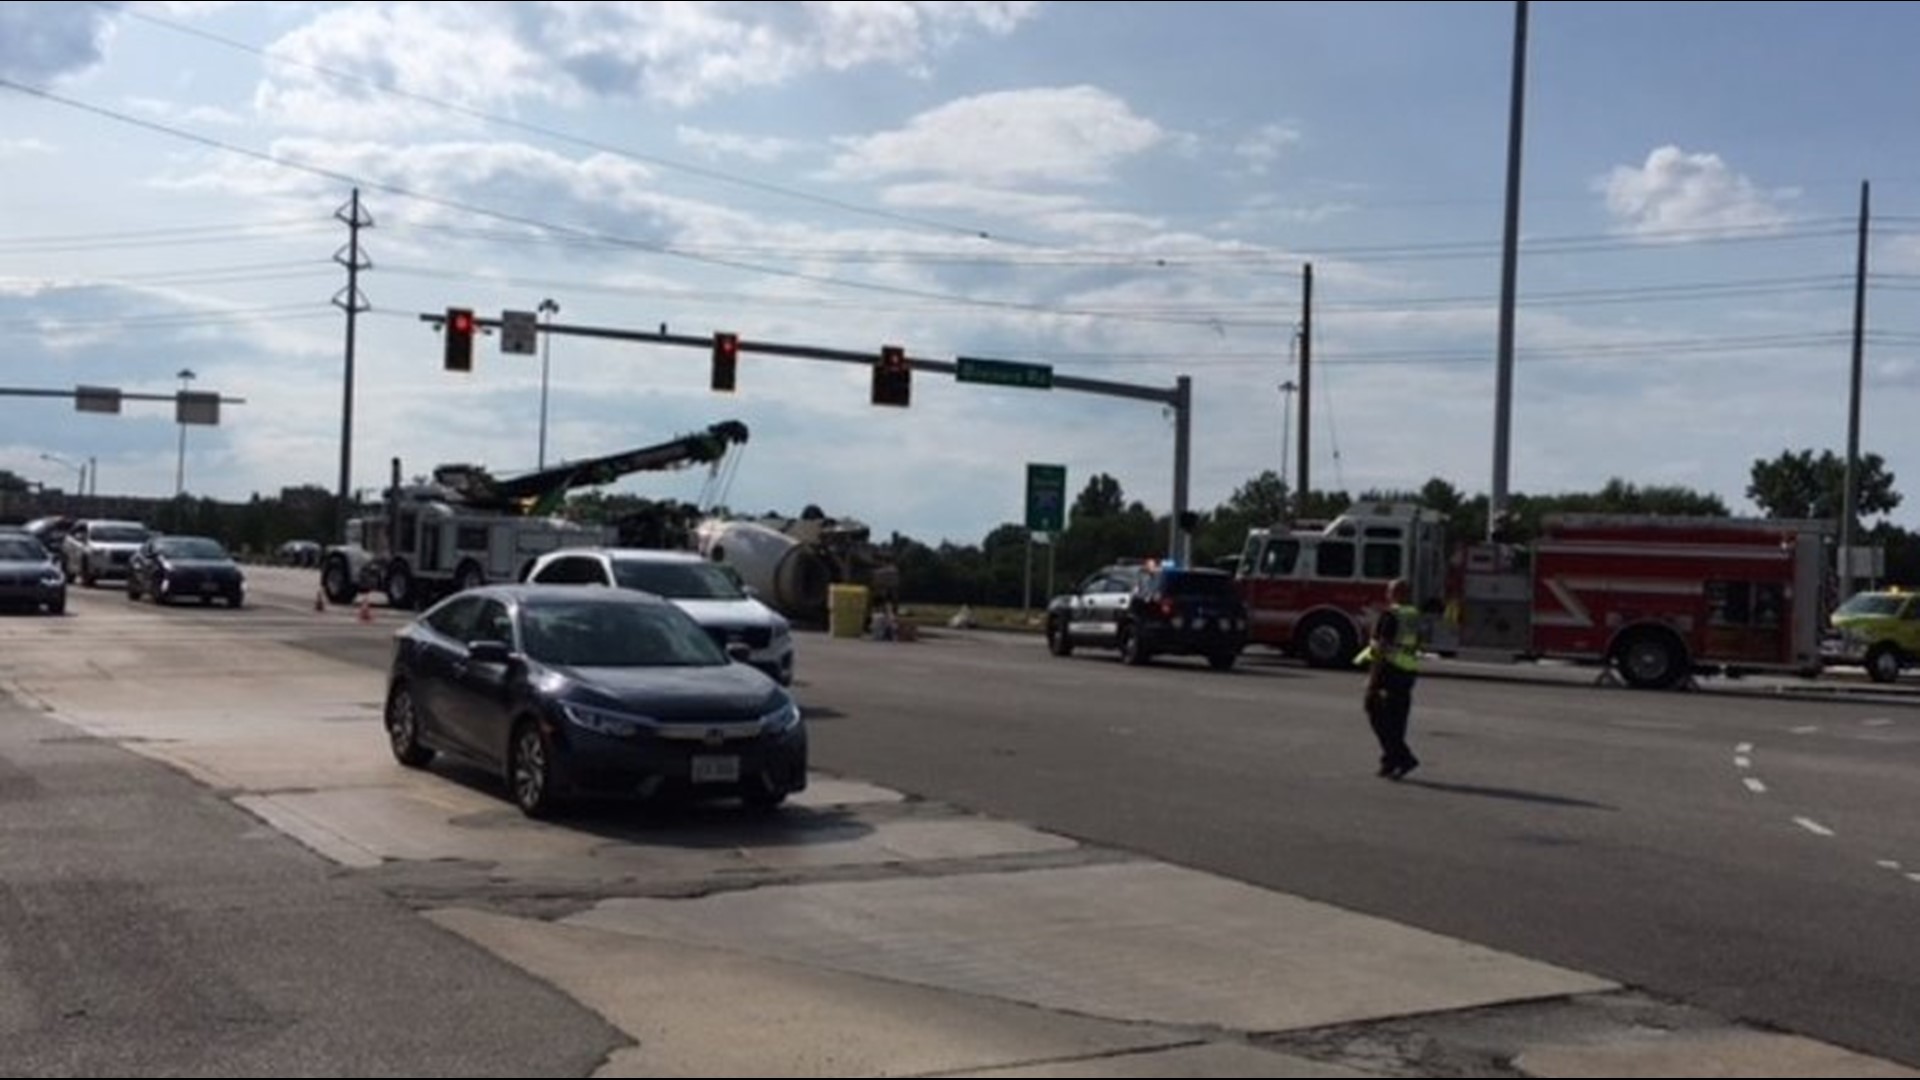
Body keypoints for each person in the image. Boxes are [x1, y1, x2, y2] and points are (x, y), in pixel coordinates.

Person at [1359, 577, 1423, 780]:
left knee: (1374, 711)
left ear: (1394, 594)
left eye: (1389, 591)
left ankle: (1403, 757)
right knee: (1397, 719)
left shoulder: (1390, 616)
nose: (1387, 594)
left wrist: (1372, 679)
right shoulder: (1412, 616)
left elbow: (1381, 649)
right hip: (1407, 671)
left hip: (1389, 672)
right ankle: (1390, 761)